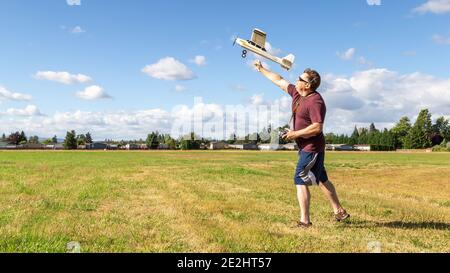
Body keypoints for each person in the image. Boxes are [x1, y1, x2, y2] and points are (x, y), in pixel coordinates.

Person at [254, 60, 350, 228]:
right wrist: (261, 69)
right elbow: (279, 80)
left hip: (312, 149)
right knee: (321, 179)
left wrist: (294, 134)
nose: (296, 80)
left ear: (307, 85)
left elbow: (317, 127)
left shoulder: (315, 101)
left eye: (300, 78)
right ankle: (339, 211)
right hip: (308, 148)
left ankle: (305, 222)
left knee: (300, 179)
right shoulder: (298, 94)